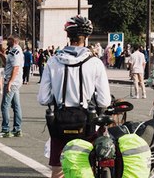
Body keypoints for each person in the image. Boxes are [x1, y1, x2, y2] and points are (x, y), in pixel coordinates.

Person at [38, 17, 110, 178]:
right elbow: (104, 100)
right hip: (87, 124)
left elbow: (43, 98)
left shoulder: (53, 61)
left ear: (68, 36)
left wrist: (58, 96)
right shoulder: (95, 63)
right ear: (86, 38)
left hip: (60, 124)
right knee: (88, 166)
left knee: (58, 171)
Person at [0, 36, 24, 138]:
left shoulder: (14, 52)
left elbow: (15, 67)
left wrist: (10, 82)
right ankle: (17, 128)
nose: (6, 42)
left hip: (12, 81)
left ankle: (5, 129)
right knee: (16, 105)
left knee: (5, 105)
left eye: (8, 40)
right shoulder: (18, 50)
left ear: (13, 41)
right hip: (16, 81)